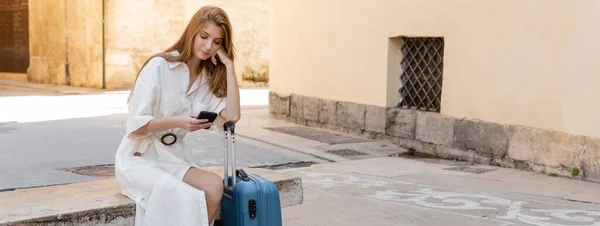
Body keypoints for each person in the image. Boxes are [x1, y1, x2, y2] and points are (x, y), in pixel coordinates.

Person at [114, 6, 240, 226]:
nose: (209, 46)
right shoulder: (159, 66)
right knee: (181, 194)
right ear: (192, 32)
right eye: (204, 36)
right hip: (138, 158)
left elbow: (233, 115)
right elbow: (135, 127)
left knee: (213, 186)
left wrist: (229, 65)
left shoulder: (207, 80)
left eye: (217, 42)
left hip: (173, 158)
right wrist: (178, 121)